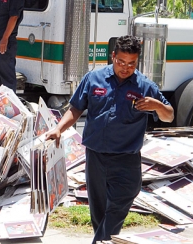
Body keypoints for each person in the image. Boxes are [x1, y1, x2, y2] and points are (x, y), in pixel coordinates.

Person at [45, 35, 174, 244]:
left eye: (131, 64)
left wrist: (157, 106)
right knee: (99, 212)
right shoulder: (94, 78)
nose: (125, 68)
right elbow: (76, 108)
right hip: (96, 156)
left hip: (126, 160)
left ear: (137, 61)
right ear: (113, 56)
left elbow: (169, 115)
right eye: (121, 62)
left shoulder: (145, 86)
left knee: (119, 205)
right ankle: (104, 241)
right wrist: (59, 128)